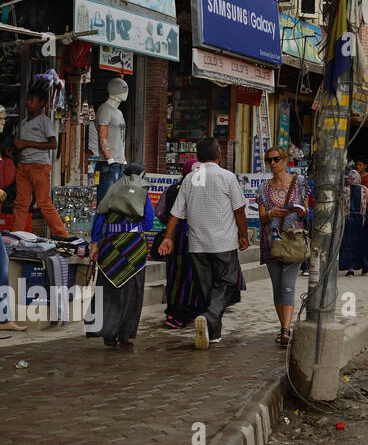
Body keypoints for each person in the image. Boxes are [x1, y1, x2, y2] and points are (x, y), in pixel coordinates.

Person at [157, 138, 250, 350]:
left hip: (197, 245)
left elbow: (175, 213)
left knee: (207, 290)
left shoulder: (190, 179)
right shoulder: (227, 177)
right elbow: (239, 210)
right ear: (219, 155)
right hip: (223, 243)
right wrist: (243, 235)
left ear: (198, 157)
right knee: (226, 285)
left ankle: (213, 334)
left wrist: (168, 238)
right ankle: (208, 317)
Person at [84, 163, 154, 350]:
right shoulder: (143, 194)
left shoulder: (111, 191)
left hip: (111, 249)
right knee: (132, 293)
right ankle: (124, 336)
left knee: (109, 292)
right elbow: (148, 223)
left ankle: (108, 332)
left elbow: (99, 219)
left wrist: (95, 243)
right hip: (134, 251)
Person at [257, 146, 308, 347]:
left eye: (276, 159)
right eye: (269, 160)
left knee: (287, 285)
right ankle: (283, 327)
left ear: (285, 160)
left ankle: (285, 330)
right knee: (277, 287)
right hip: (271, 242)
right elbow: (261, 217)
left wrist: (302, 212)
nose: (273, 164)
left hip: (293, 241)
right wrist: (270, 214)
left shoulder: (299, 183)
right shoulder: (263, 188)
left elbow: (306, 208)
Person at [12, 87, 70, 239]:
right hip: (24, 165)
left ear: (42, 103)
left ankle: (62, 235)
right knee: (20, 204)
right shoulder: (24, 122)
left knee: (44, 202)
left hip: (39, 166)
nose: (28, 102)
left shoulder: (45, 121)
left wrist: (26, 143)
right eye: (28, 99)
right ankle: (15, 236)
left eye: (32, 100)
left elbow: (53, 144)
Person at [339, 168, 368, 277]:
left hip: (348, 220)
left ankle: (351, 268)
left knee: (349, 244)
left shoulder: (344, 190)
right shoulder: (364, 189)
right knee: (363, 243)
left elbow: (340, 207)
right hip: (362, 220)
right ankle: (365, 266)